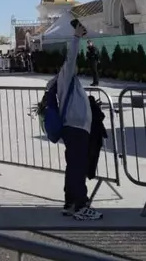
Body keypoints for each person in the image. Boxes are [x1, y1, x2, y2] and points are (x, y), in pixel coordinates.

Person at [52, 20, 102, 221]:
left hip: (75, 127)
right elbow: (72, 57)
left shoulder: (67, 80)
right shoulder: (66, 76)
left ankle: (70, 203)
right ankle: (80, 205)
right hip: (75, 127)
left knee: (73, 166)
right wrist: (76, 37)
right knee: (78, 167)